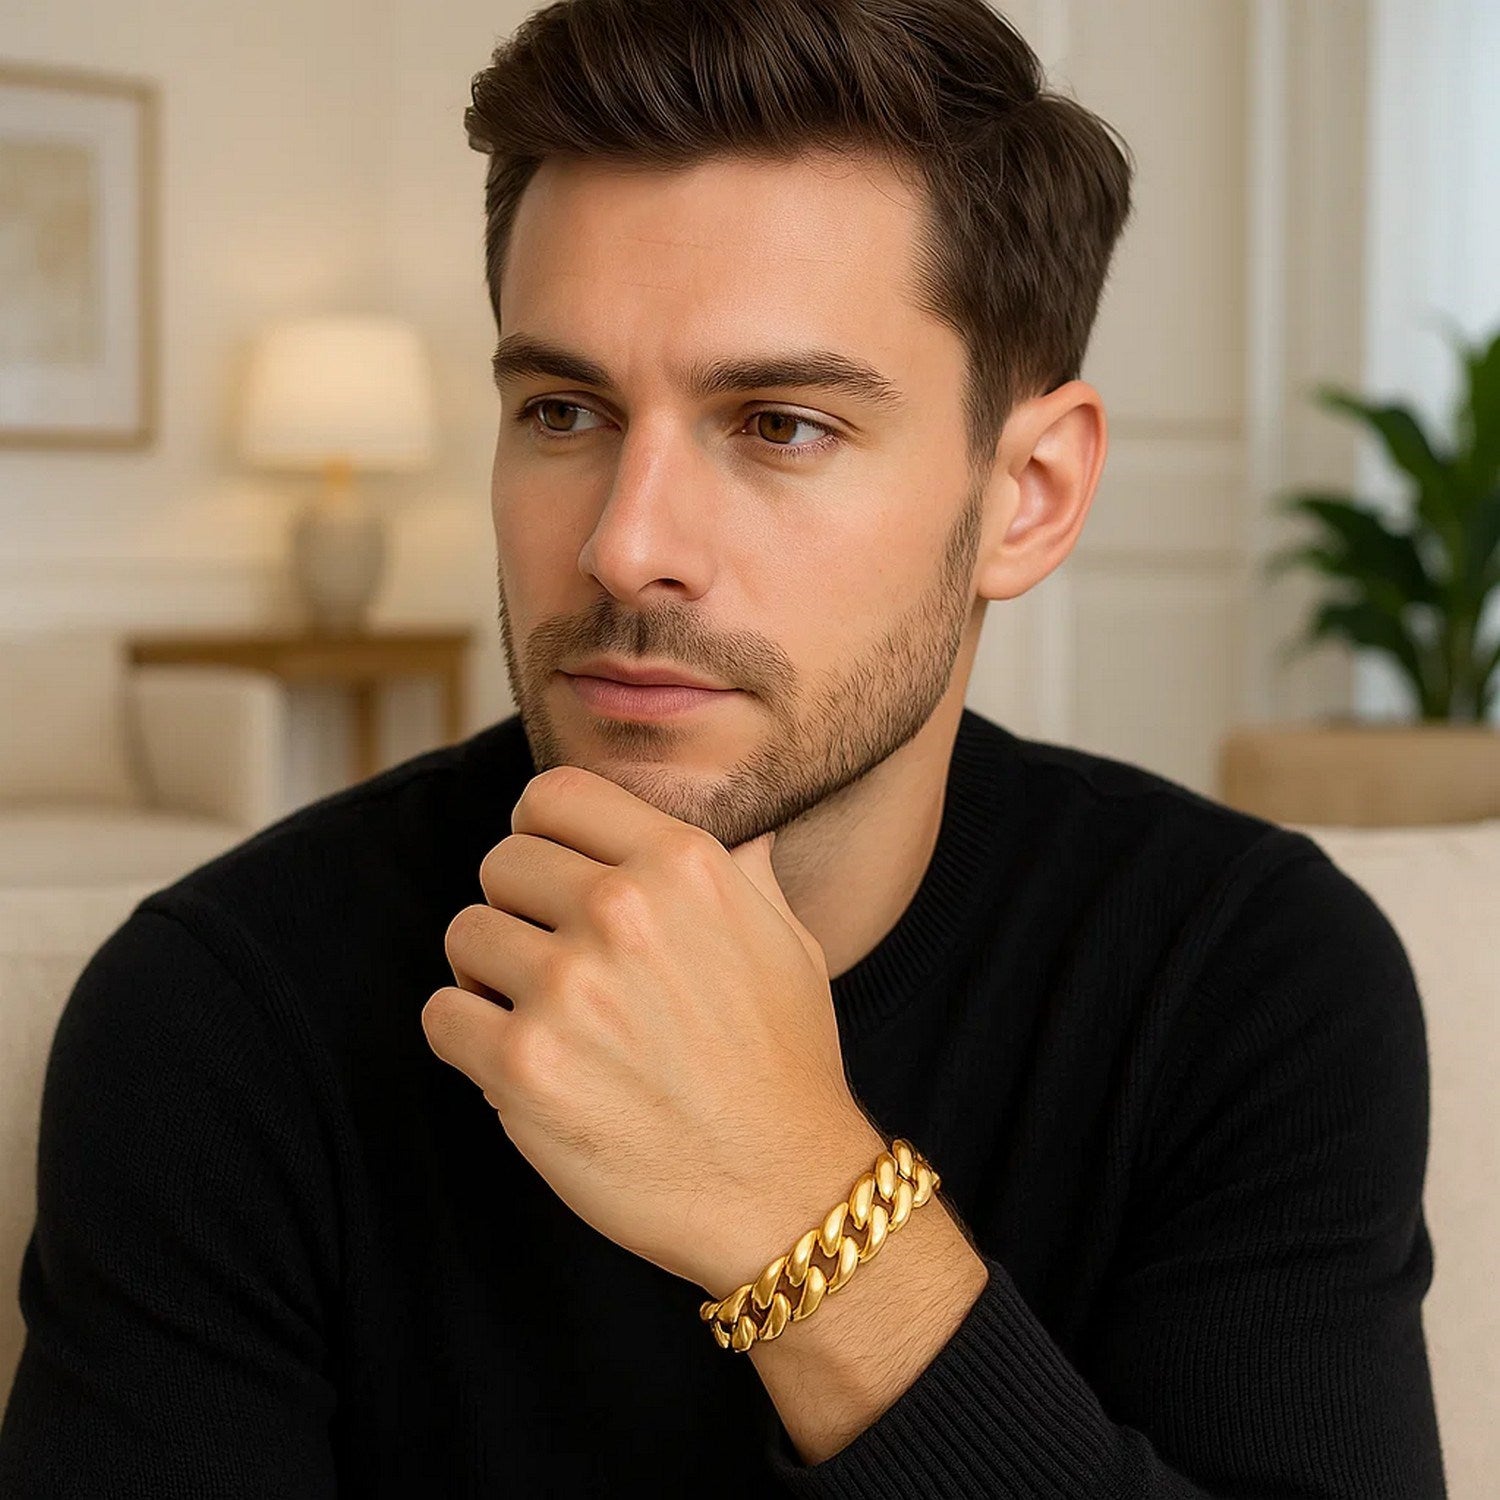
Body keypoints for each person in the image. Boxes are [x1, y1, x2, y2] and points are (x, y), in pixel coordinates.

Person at [0, 1, 1448, 1494]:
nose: (625, 547)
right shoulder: (225, 1016)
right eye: (562, 410)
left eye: (780, 425)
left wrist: (802, 1207)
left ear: (1025, 496)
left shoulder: (1248, 979)